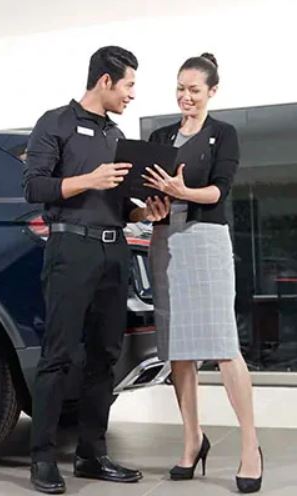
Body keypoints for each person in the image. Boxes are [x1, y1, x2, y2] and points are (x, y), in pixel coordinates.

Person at [23, 46, 170, 494]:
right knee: (59, 354)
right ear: (105, 81)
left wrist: (143, 212)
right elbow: (34, 187)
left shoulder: (116, 135)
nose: (131, 95)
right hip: (71, 249)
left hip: (114, 252)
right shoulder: (55, 123)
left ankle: (92, 454)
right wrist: (90, 179)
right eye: (128, 85)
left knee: (105, 355)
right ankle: (42, 459)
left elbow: (117, 202)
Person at [144, 52, 263, 493]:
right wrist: (151, 205)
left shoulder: (223, 134)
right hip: (164, 238)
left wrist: (182, 191)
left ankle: (250, 445)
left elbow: (219, 189)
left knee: (222, 342)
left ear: (212, 91)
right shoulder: (159, 135)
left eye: (194, 89)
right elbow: (142, 194)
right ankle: (192, 439)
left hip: (206, 238)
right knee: (178, 347)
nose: (185, 96)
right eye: (180, 87)